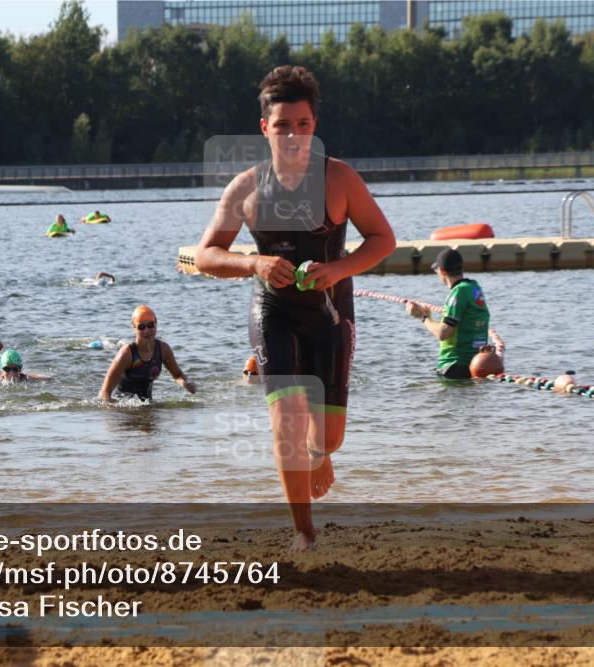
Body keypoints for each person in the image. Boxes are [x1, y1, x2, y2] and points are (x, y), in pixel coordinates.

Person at [194, 65, 395, 551]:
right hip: (273, 313)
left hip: (330, 313)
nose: (293, 136)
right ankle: (304, 533)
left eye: (302, 125)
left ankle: (318, 450)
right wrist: (254, 263)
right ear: (265, 128)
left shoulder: (339, 179)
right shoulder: (245, 188)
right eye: (282, 125)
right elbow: (205, 256)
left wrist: (338, 269)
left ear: (314, 126)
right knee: (286, 419)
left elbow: (382, 239)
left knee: (329, 439)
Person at [405, 248, 490, 380]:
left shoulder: (458, 292)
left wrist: (422, 317)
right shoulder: (474, 288)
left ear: (442, 271)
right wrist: (429, 317)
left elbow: (442, 333)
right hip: (475, 366)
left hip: (454, 367)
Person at [98, 305, 196, 402]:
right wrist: (113, 407)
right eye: (141, 327)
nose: (147, 331)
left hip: (148, 405)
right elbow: (104, 393)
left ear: (156, 324)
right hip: (124, 406)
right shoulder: (127, 354)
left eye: (150, 325)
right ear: (134, 328)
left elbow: (177, 374)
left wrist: (186, 383)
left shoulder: (163, 349)